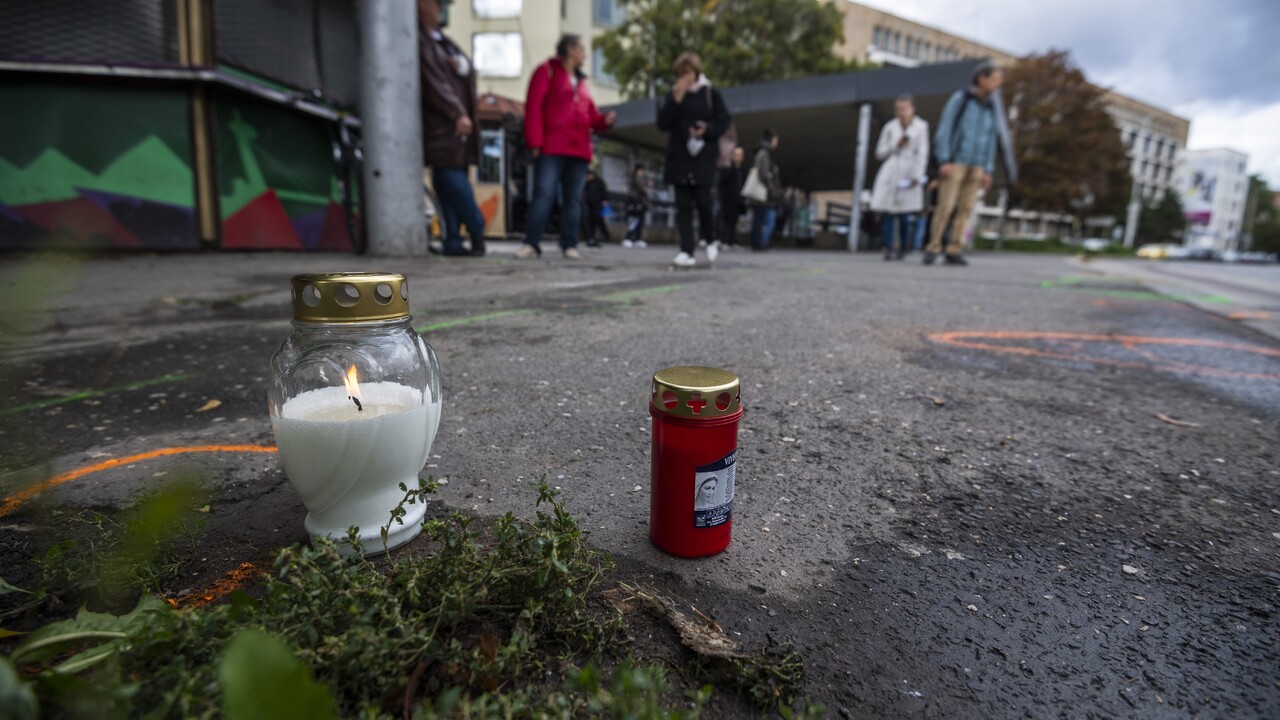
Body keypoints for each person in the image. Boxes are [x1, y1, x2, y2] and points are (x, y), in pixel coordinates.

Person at [518, 34, 617, 260]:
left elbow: (591, 117)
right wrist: (535, 142)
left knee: (573, 199)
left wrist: (604, 121)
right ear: (570, 50)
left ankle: (569, 243)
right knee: (544, 193)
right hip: (552, 147)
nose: (584, 54)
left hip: (578, 150)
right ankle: (531, 242)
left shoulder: (582, 83)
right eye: (581, 49)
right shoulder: (546, 72)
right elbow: (533, 108)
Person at [418, 0, 485, 257]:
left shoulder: (441, 42)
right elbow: (433, 83)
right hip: (442, 123)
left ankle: (459, 236)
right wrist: (456, 111)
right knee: (448, 179)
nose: (441, 8)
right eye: (437, 3)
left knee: (449, 179)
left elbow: (449, 78)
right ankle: (465, 233)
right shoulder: (422, 41)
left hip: (452, 123)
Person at [656, 52, 731, 267]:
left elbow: (723, 122)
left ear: (696, 72)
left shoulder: (710, 93)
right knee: (683, 206)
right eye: (680, 74)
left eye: (687, 73)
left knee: (703, 203)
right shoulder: (674, 95)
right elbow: (662, 124)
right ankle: (686, 250)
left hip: (702, 158)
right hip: (679, 158)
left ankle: (710, 238)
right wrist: (675, 100)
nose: (684, 78)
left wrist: (706, 130)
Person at [926, 61, 1004, 266]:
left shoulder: (991, 107)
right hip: (956, 162)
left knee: (966, 209)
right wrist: (944, 159)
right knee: (946, 206)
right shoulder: (961, 99)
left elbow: (991, 139)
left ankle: (955, 248)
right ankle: (933, 247)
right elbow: (946, 128)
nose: (998, 83)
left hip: (977, 165)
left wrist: (988, 168)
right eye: (995, 78)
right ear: (982, 78)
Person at [870, 95, 929, 261]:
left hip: (910, 171)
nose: (901, 112)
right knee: (889, 213)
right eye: (898, 109)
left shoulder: (921, 127)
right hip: (891, 170)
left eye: (905, 109)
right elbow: (879, 153)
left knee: (905, 214)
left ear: (912, 109)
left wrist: (918, 175)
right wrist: (896, 144)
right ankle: (888, 247)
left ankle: (903, 248)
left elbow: (922, 152)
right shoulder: (890, 127)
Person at [749, 129, 782, 252]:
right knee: (760, 219)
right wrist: (772, 189)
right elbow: (763, 174)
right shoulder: (764, 153)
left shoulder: (762, 152)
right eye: (776, 140)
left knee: (759, 218)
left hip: (763, 192)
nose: (776, 143)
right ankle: (758, 243)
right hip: (762, 193)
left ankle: (758, 242)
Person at [717, 146, 747, 248]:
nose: (737, 157)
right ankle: (724, 240)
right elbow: (722, 185)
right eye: (735, 155)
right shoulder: (727, 169)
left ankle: (731, 240)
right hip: (728, 199)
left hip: (739, 200)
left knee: (734, 220)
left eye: (739, 155)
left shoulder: (743, 170)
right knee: (726, 220)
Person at [623, 163, 650, 248]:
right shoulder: (636, 177)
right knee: (635, 221)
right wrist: (647, 186)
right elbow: (642, 188)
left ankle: (638, 239)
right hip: (635, 202)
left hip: (641, 202)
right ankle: (628, 238)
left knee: (640, 221)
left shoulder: (640, 177)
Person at [581, 169, 609, 247]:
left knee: (598, 219)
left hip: (598, 204)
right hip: (589, 204)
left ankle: (605, 235)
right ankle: (591, 237)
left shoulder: (599, 181)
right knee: (589, 220)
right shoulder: (587, 182)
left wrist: (605, 200)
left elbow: (604, 191)